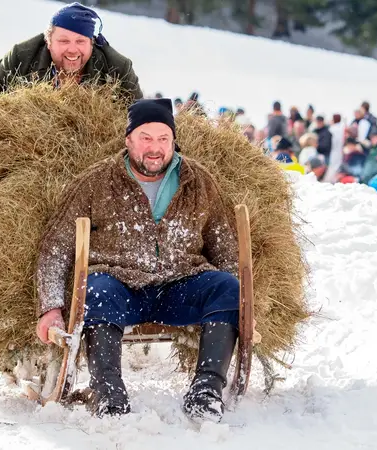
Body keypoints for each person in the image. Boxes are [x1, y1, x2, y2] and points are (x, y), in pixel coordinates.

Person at [35, 98, 240, 422]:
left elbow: (225, 245)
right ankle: (109, 395)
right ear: (129, 139)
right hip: (119, 286)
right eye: (146, 137)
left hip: (180, 282)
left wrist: (241, 305)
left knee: (228, 287)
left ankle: (206, 391)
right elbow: (56, 247)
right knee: (94, 289)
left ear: (173, 140)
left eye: (163, 138)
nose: (155, 148)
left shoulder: (198, 181)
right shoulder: (97, 182)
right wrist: (50, 307)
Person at [0, 2, 143, 122]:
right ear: (48, 41)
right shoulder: (21, 57)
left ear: (92, 43)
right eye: (63, 41)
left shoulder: (118, 68)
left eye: (80, 41)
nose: (72, 49)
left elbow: (143, 120)